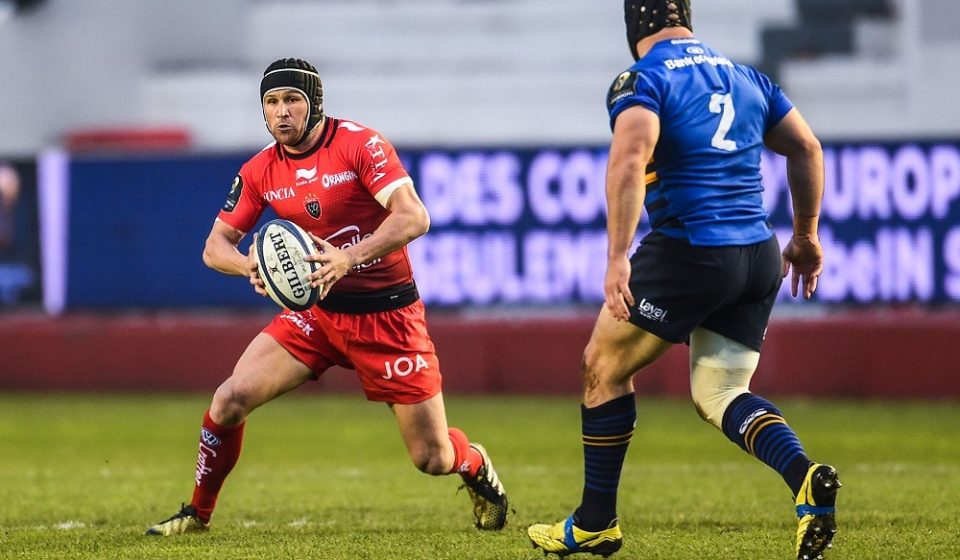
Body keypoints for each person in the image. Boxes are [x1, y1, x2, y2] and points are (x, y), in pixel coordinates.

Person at [527, 2, 839, 559]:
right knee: (721, 392)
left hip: (691, 251)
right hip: (758, 254)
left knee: (601, 368)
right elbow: (807, 147)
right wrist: (807, 235)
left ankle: (596, 521)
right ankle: (806, 480)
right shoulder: (745, 77)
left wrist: (618, 256)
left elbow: (629, 160)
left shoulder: (641, 80)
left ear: (633, 27)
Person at [147, 58, 508, 536]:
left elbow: (414, 218)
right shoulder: (260, 169)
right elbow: (215, 248)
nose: (281, 113)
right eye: (271, 103)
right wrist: (249, 266)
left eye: (291, 100)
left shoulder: (360, 144)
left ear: (314, 103)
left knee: (433, 457)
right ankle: (198, 514)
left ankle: (476, 463)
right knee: (230, 398)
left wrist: (347, 258)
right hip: (316, 315)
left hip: (387, 316)